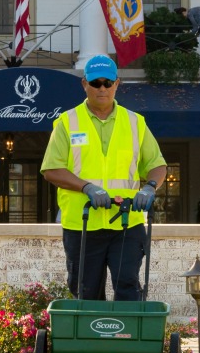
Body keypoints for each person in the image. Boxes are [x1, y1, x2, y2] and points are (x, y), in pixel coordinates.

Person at [41, 54, 167, 301]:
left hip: (126, 222)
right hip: (83, 223)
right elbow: (51, 169)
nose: (102, 88)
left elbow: (157, 165)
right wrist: (86, 187)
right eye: (95, 82)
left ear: (117, 84)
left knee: (128, 287)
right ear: (84, 84)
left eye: (108, 83)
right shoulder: (67, 122)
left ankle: (126, 327)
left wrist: (150, 187)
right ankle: (91, 329)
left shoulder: (135, 122)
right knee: (85, 292)